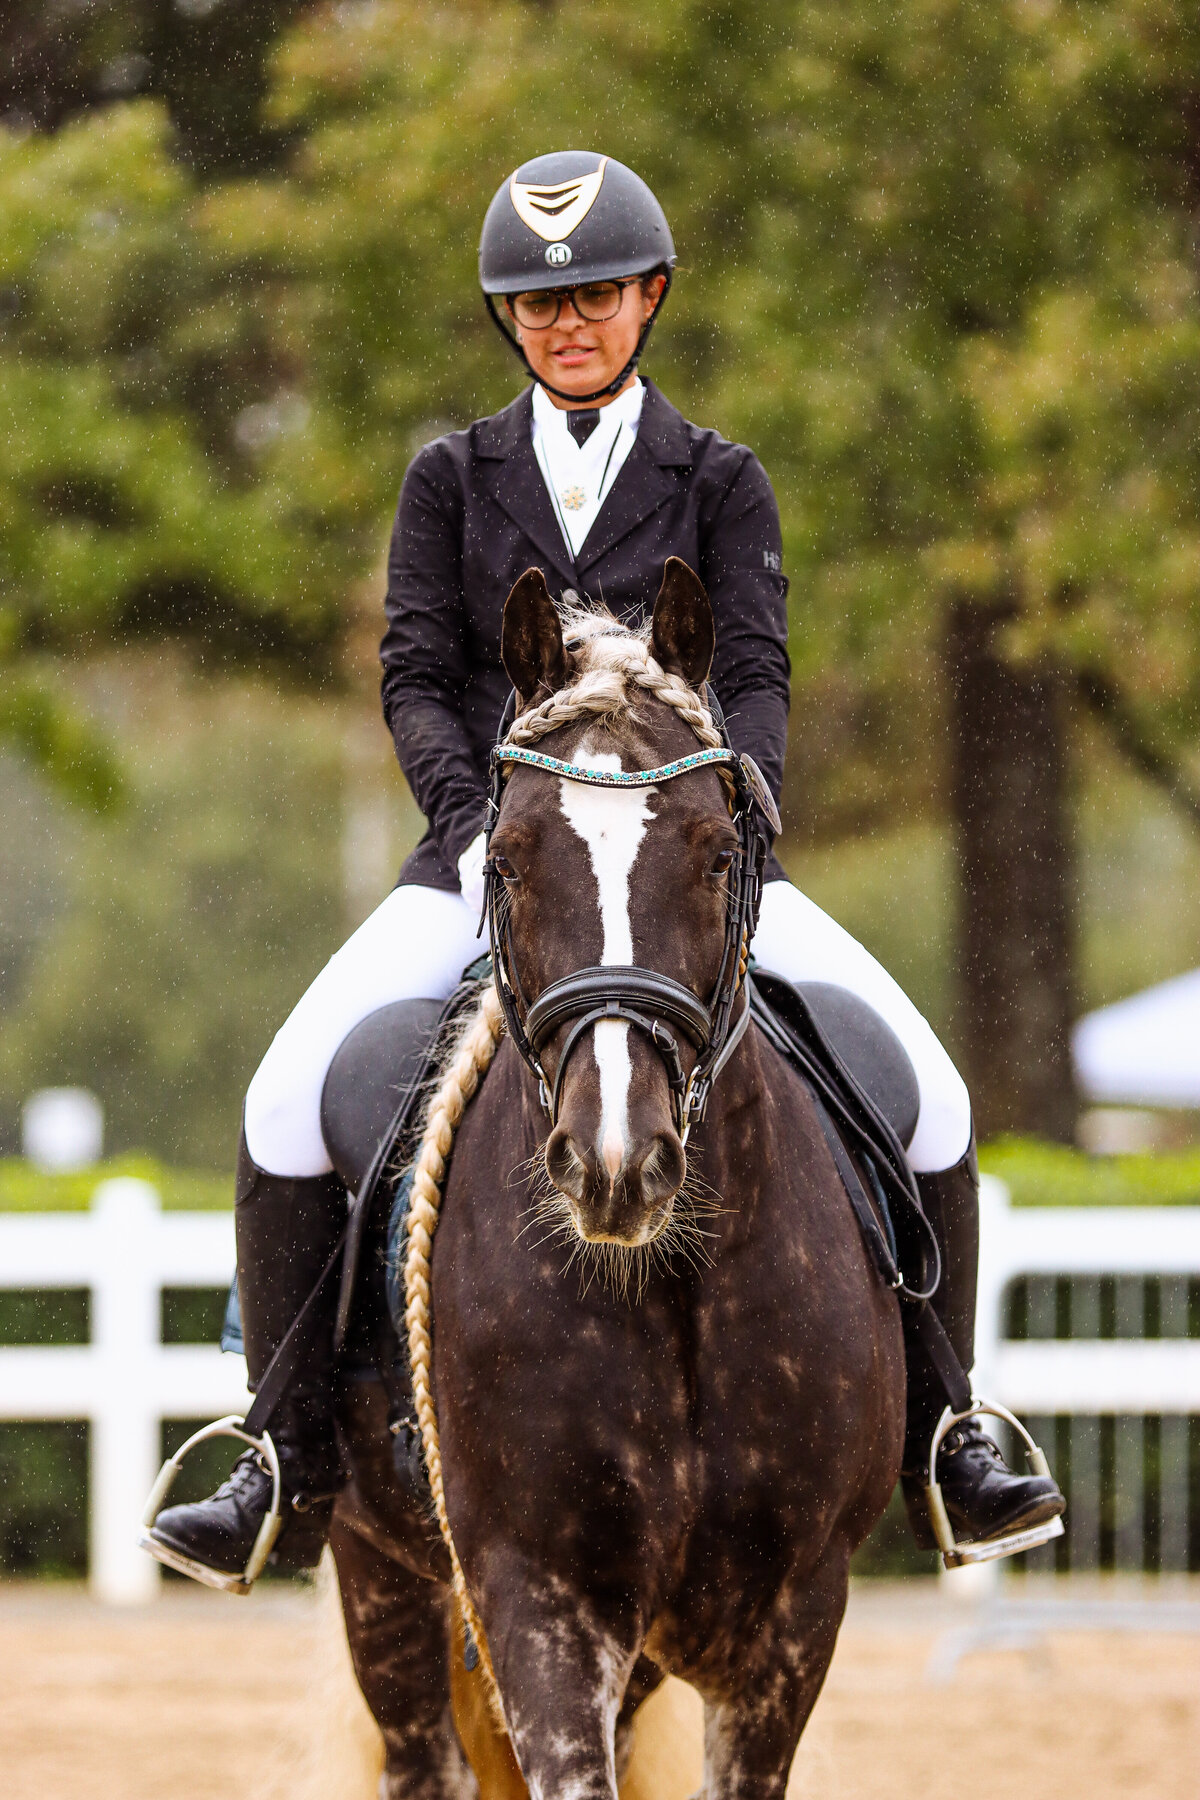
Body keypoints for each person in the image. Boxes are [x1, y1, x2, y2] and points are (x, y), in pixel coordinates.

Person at [144, 151, 1064, 1587]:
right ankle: (284, 1455)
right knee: (280, 1101)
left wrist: (736, 831)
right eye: (538, 302)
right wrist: (470, 830)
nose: (567, 322)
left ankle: (953, 1430)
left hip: (693, 870)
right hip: (494, 861)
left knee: (934, 1092)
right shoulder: (452, 477)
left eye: (595, 296)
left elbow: (752, 678)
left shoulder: (720, 479)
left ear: (649, 298)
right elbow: (414, 676)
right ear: (509, 320)